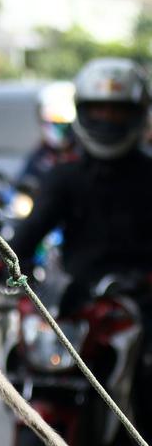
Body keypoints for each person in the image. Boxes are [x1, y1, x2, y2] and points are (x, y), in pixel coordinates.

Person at [12, 58, 152, 308]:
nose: (107, 118)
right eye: (99, 109)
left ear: (137, 113)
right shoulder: (65, 174)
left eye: (117, 111)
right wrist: (7, 264)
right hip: (76, 304)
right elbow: (30, 231)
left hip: (142, 302)